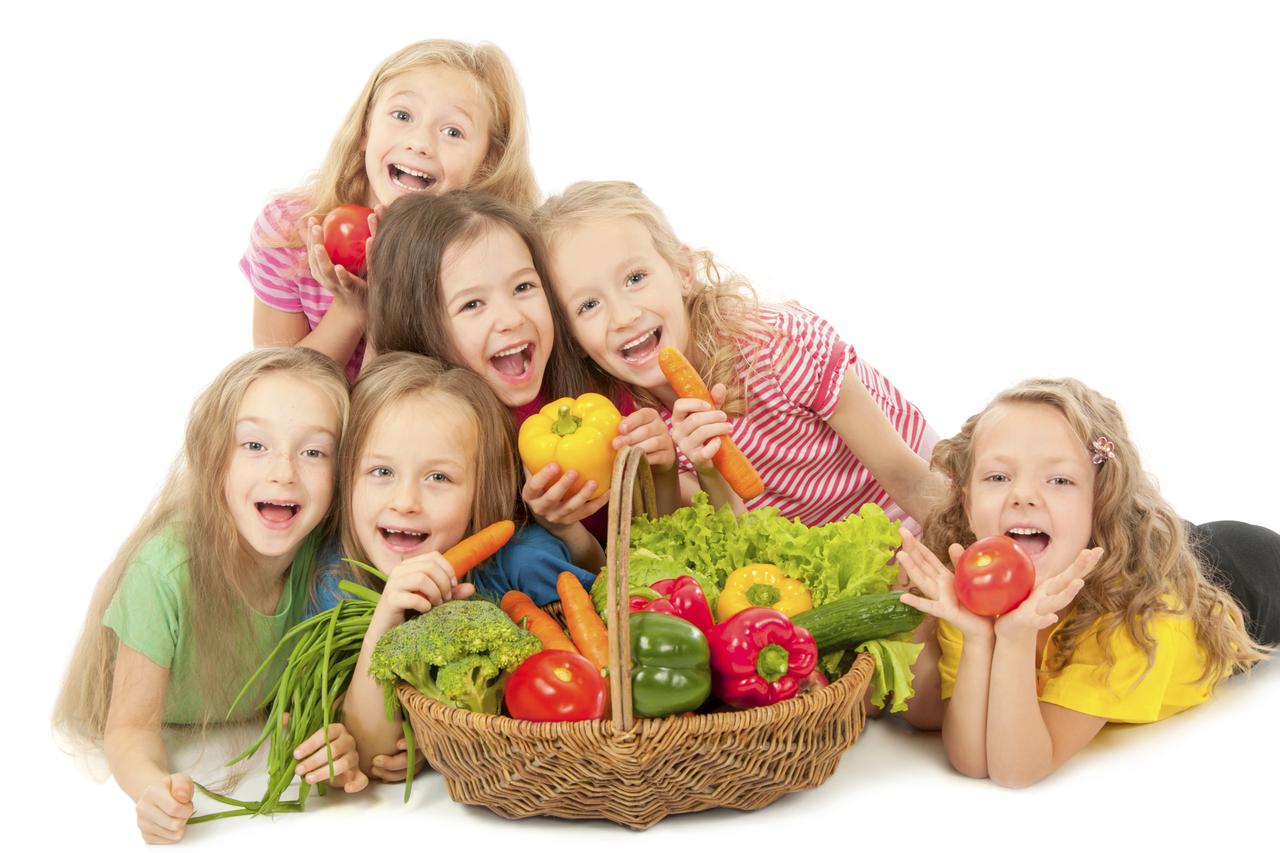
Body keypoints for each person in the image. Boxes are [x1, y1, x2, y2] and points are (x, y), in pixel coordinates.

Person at [896, 377, 1274, 787]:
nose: (1023, 495)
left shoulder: (1130, 622)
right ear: (966, 500)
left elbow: (1015, 768)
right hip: (1090, 548)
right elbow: (972, 761)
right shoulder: (971, 591)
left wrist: (1016, 639)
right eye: (998, 477)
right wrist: (979, 636)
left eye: (1059, 480)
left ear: (1102, 503)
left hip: (1249, 578)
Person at [53, 348, 365, 843]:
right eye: (254, 445)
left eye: (314, 452)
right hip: (163, 722)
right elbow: (130, 728)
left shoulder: (326, 565)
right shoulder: (164, 572)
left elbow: (310, 698)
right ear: (212, 455)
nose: (284, 471)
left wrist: (335, 739)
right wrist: (150, 788)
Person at [533, 180, 940, 531]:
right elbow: (739, 540)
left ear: (683, 272)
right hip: (818, 557)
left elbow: (913, 483)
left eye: (635, 278)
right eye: (588, 305)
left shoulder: (775, 345)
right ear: (572, 337)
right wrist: (707, 469)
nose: (623, 316)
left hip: (909, 504)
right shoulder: (636, 426)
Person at [366, 191, 682, 568]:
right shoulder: (430, 440)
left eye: (523, 287)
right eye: (472, 304)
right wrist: (562, 530)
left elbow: (655, 546)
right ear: (420, 328)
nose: (511, 318)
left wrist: (663, 472)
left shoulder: (595, 399)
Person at [319, 352, 597, 776]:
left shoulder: (522, 565)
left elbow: (593, 673)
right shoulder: (336, 582)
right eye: (381, 471)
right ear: (346, 480)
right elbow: (372, 750)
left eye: (439, 478)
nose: (405, 502)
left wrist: (444, 742)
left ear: (482, 491)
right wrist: (386, 614)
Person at [244, 40, 538, 381]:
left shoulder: (485, 259)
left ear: (488, 161)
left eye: (453, 131)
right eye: (402, 115)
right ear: (365, 128)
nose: (420, 143)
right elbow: (274, 392)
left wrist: (386, 303)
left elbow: (418, 406)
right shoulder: (287, 231)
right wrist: (352, 311)